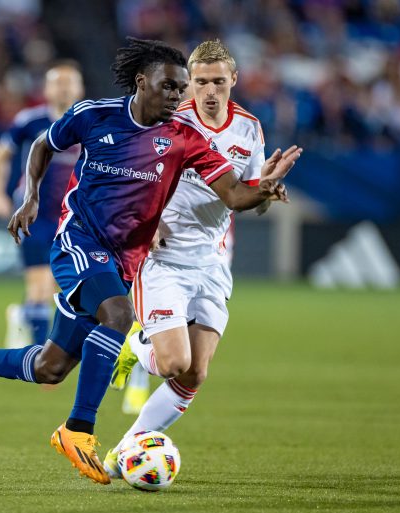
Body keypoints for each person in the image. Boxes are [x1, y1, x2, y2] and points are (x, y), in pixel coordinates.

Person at [0, 37, 300, 485]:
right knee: (119, 315)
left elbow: (234, 195)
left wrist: (265, 188)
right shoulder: (95, 115)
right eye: (170, 87)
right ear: (142, 83)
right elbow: (42, 146)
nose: (177, 98)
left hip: (122, 260)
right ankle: (77, 430)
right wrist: (30, 198)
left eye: (181, 90)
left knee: (52, 366)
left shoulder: (185, 140)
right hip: (78, 240)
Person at [102, 39, 298, 478]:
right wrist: (141, 223)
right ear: (190, 83)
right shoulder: (168, 121)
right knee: (173, 362)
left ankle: (123, 452)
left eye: (218, 82)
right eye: (201, 82)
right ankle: (135, 345)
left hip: (212, 261)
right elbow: (124, 179)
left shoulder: (248, 129)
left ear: (234, 81)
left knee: (195, 374)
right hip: (162, 259)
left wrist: (265, 190)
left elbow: (250, 200)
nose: (209, 91)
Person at [0, 61, 85, 348]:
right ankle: (40, 355)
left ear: (80, 88)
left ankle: (22, 314)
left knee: (63, 285)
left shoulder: (88, 121)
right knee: (41, 286)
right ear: (46, 89)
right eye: (58, 82)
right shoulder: (30, 121)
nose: (64, 87)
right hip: (35, 213)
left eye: (70, 82)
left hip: (72, 216)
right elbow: (0, 155)